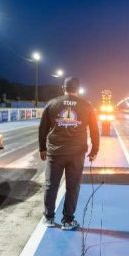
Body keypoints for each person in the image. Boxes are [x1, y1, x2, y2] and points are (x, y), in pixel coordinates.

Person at [38, 77, 100, 230]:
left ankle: (49, 218)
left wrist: (42, 148)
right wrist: (94, 150)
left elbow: (42, 128)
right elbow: (94, 130)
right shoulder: (87, 106)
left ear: (63, 87)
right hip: (76, 153)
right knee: (72, 187)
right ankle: (67, 221)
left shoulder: (52, 103)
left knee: (51, 186)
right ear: (78, 89)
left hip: (55, 153)